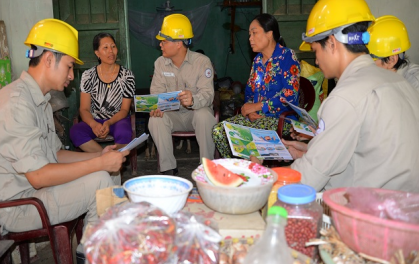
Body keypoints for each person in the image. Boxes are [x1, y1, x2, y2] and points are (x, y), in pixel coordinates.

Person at [0, 18, 129, 260]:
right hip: (20, 204)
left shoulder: (39, 99)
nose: (71, 75)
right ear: (48, 59)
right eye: (69, 66)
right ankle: (94, 253)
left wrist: (99, 155)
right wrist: (99, 164)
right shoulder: (15, 103)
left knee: (108, 172)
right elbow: (38, 177)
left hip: (36, 192)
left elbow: (55, 154)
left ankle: (91, 248)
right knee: (102, 179)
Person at [280, 0, 419, 192]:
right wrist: (312, 151)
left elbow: (305, 180)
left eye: (315, 51)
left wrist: (257, 178)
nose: (317, 60)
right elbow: (369, 151)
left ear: (331, 42)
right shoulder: (399, 82)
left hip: (369, 214)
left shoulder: (345, 97)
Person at [212, 13, 301, 158]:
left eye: (254, 33)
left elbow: (289, 95)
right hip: (255, 117)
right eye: (249, 34)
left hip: (281, 120)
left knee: (245, 135)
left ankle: (254, 172)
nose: (250, 39)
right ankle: (239, 171)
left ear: (269, 34)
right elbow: (249, 91)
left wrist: (259, 107)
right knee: (219, 131)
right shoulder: (258, 61)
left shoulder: (287, 57)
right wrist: (249, 108)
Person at [148, 14, 216, 175]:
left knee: (204, 115)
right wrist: (156, 106)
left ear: (178, 43)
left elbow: (208, 94)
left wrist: (193, 100)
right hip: (174, 116)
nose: (160, 44)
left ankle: (207, 168)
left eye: (164, 41)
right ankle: (168, 168)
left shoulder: (202, 62)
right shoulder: (159, 63)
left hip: (195, 115)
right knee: (155, 120)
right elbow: (156, 93)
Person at [70, 33, 135, 152]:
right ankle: (104, 158)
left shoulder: (127, 76)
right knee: (76, 131)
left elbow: (125, 110)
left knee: (124, 132)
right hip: (94, 120)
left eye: (113, 46)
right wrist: (93, 125)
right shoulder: (88, 76)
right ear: (97, 53)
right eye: (105, 48)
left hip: (117, 119)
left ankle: (114, 160)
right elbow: (84, 109)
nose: (111, 51)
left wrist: (109, 122)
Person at [367, 15, 419, 90]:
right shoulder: (384, 77)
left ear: (392, 60)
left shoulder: (415, 84)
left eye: (371, 59)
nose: (366, 63)